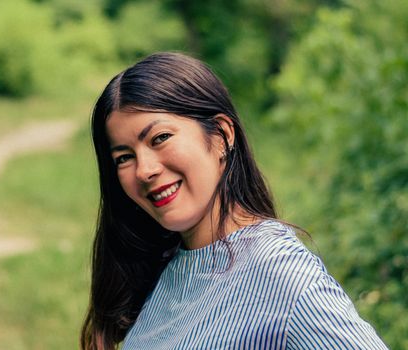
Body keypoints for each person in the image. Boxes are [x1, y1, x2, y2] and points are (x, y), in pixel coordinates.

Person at [81, 52, 388, 350]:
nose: (145, 170)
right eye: (124, 157)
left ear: (222, 136)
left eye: (160, 138)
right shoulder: (166, 263)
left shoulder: (278, 273)